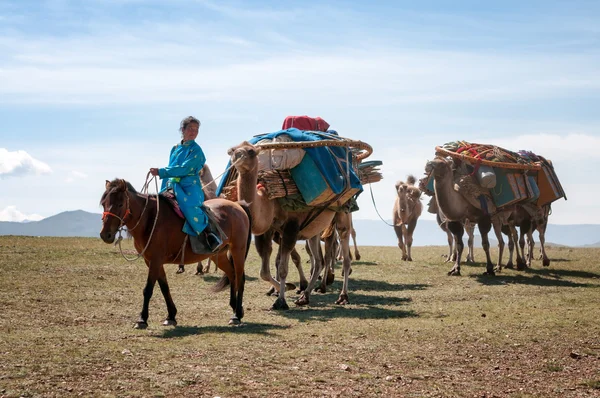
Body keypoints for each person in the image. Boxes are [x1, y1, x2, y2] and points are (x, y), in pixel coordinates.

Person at [149, 116, 222, 251]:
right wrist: (164, 184)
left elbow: (185, 169)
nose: (193, 132)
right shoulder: (175, 148)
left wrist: (161, 171)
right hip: (171, 185)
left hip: (189, 187)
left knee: (189, 207)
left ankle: (209, 234)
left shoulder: (196, 151)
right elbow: (171, 167)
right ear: (183, 130)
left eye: (196, 130)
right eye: (190, 128)